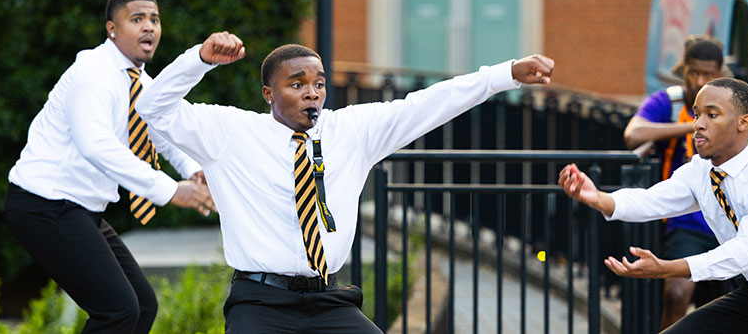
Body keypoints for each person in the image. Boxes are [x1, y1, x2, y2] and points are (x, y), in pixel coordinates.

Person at [136, 37, 554, 332]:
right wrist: (199, 59)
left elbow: (425, 105)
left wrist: (504, 75)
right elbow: (152, 107)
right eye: (296, 84)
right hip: (259, 303)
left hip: (328, 300)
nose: (311, 94)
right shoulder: (229, 132)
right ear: (268, 93)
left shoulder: (350, 131)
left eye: (318, 84)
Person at [560, 77, 748, 333]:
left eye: (712, 115)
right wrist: (597, 197)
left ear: (744, 122)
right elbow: (651, 200)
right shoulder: (699, 171)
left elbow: (747, 251)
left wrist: (668, 268)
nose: (697, 125)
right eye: (697, 114)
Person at [1, 0, 215, 334]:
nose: (149, 27)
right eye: (137, 19)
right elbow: (95, 144)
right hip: (44, 205)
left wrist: (194, 171)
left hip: (81, 211)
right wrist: (170, 190)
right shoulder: (93, 72)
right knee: (117, 312)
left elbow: (160, 131)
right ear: (111, 29)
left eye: (154, 19)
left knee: (142, 307)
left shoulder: (141, 82)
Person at [623, 37, 748, 328]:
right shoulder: (668, 102)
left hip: (729, 219)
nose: (699, 80)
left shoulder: (734, 107)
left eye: (708, 74)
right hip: (686, 221)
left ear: (720, 72)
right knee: (677, 291)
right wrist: (699, 123)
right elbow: (633, 134)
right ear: (682, 70)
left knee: (724, 306)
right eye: (693, 72)